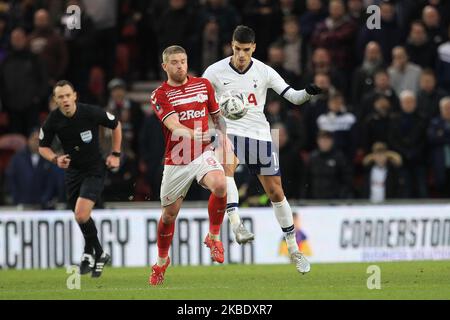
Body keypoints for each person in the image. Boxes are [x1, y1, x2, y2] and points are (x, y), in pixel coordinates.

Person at [203, 25, 322, 274]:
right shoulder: (214, 72)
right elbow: (201, 100)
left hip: (259, 135)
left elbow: (293, 96)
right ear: (231, 46)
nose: (241, 54)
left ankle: (294, 249)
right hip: (229, 132)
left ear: (254, 48)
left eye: (246, 50)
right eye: (237, 49)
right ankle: (237, 225)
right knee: (227, 171)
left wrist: (308, 93)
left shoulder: (265, 71)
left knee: (276, 192)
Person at [149, 45, 230, 285]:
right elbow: (173, 125)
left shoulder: (203, 85)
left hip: (202, 154)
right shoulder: (160, 94)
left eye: (183, 61)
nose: (180, 66)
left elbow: (216, 116)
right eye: (174, 62)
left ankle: (213, 236)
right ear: (165, 66)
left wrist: (224, 139)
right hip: (176, 159)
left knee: (220, 184)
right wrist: (197, 134)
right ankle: (161, 263)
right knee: (169, 215)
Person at [38, 80, 122, 278]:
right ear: (55, 100)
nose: (65, 99)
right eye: (61, 97)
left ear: (74, 95)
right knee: (81, 217)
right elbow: (43, 146)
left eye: (68, 95)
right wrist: (55, 158)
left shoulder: (89, 112)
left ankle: (99, 254)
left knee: (81, 215)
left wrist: (116, 154)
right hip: (73, 173)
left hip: (94, 169)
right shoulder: (53, 120)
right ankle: (90, 253)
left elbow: (115, 124)